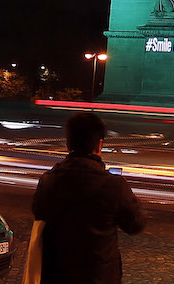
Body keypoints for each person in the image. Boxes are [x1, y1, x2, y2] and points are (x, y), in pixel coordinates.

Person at [32, 112, 146, 283]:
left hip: (57, 275)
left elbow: (38, 213)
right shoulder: (113, 185)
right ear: (99, 145)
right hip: (98, 276)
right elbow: (136, 224)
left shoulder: (49, 180)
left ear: (68, 143)